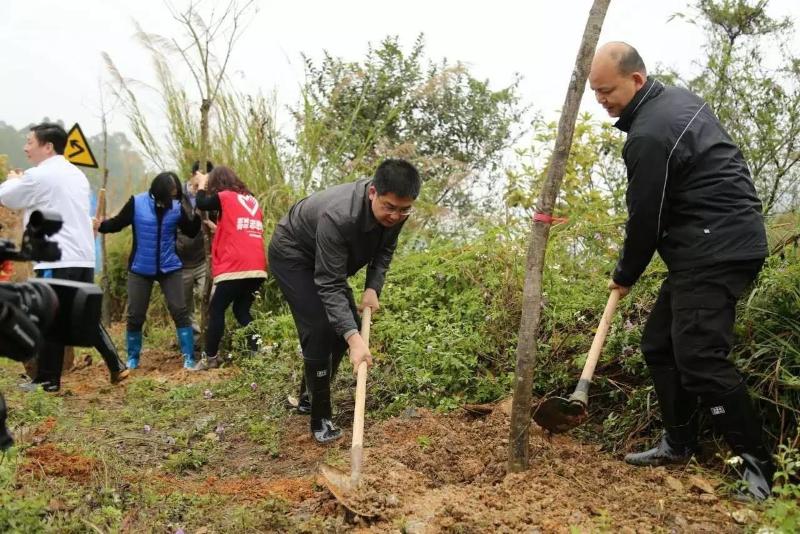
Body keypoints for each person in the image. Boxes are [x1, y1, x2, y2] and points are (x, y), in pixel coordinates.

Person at [588, 42, 773, 499]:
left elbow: (646, 218)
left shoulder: (649, 134)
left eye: (607, 90)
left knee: (701, 359)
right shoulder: (678, 101)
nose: (602, 101)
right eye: (595, 93)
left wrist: (625, 272)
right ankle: (679, 442)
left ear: (635, 79)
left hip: (715, 248)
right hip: (714, 241)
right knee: (659, 343)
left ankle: (761, 471)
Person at [268, 159, 420, 443]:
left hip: (326, 259)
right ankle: (320, 418)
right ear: (373, 192)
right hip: (293, 253)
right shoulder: (339, 215)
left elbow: (385, 250)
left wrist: (373, 287)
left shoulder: (397, 212)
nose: (396, 215)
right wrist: (355, 339)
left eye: (403, 209)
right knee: (321, 326)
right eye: (389, 207)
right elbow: (329, 282)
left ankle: (308, 398)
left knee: (341, 327)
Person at [0, 122, 129, 391]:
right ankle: (117, 365)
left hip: (57, 258)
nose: (25, 148)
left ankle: (48, 381)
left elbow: (8, 197)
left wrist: (13, 179)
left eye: (29, 142)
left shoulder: (40, 175)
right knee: (81, 317)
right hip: (81, 257)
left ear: (47, 147)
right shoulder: (76, 175)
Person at [95, 172, 201, 369]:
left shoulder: (176, 207)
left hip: (170, 267)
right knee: (135, 314)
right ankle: (133, 358)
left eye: (176, 193)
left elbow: (191, 231)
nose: (174, 197)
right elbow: (117, 224)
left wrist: (197, 212)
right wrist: (101, 226)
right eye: (171, 193)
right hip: (140, 268)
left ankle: (189, 357)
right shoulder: (137, 203)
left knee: (180, 310)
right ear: (159, 191)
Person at [189, 165, 267, 371]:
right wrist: (219, 229)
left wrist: (203, 183)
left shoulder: (225, 196)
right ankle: (257, 350)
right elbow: (240, 226)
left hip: (236, 264)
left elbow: (202, 203)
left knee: (216, 310)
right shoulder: (252, 200)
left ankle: (211, 358)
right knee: (241, 310)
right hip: (257, 265)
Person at [176, 160, 212, 347]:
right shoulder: (176, 195)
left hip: (202, 260)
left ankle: (210, 342)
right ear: (192, 175)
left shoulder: (209, 197)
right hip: (180, 263)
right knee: (184, 307)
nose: (202, 186)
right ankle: (194, 344)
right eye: (199, 181)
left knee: (211, 299)